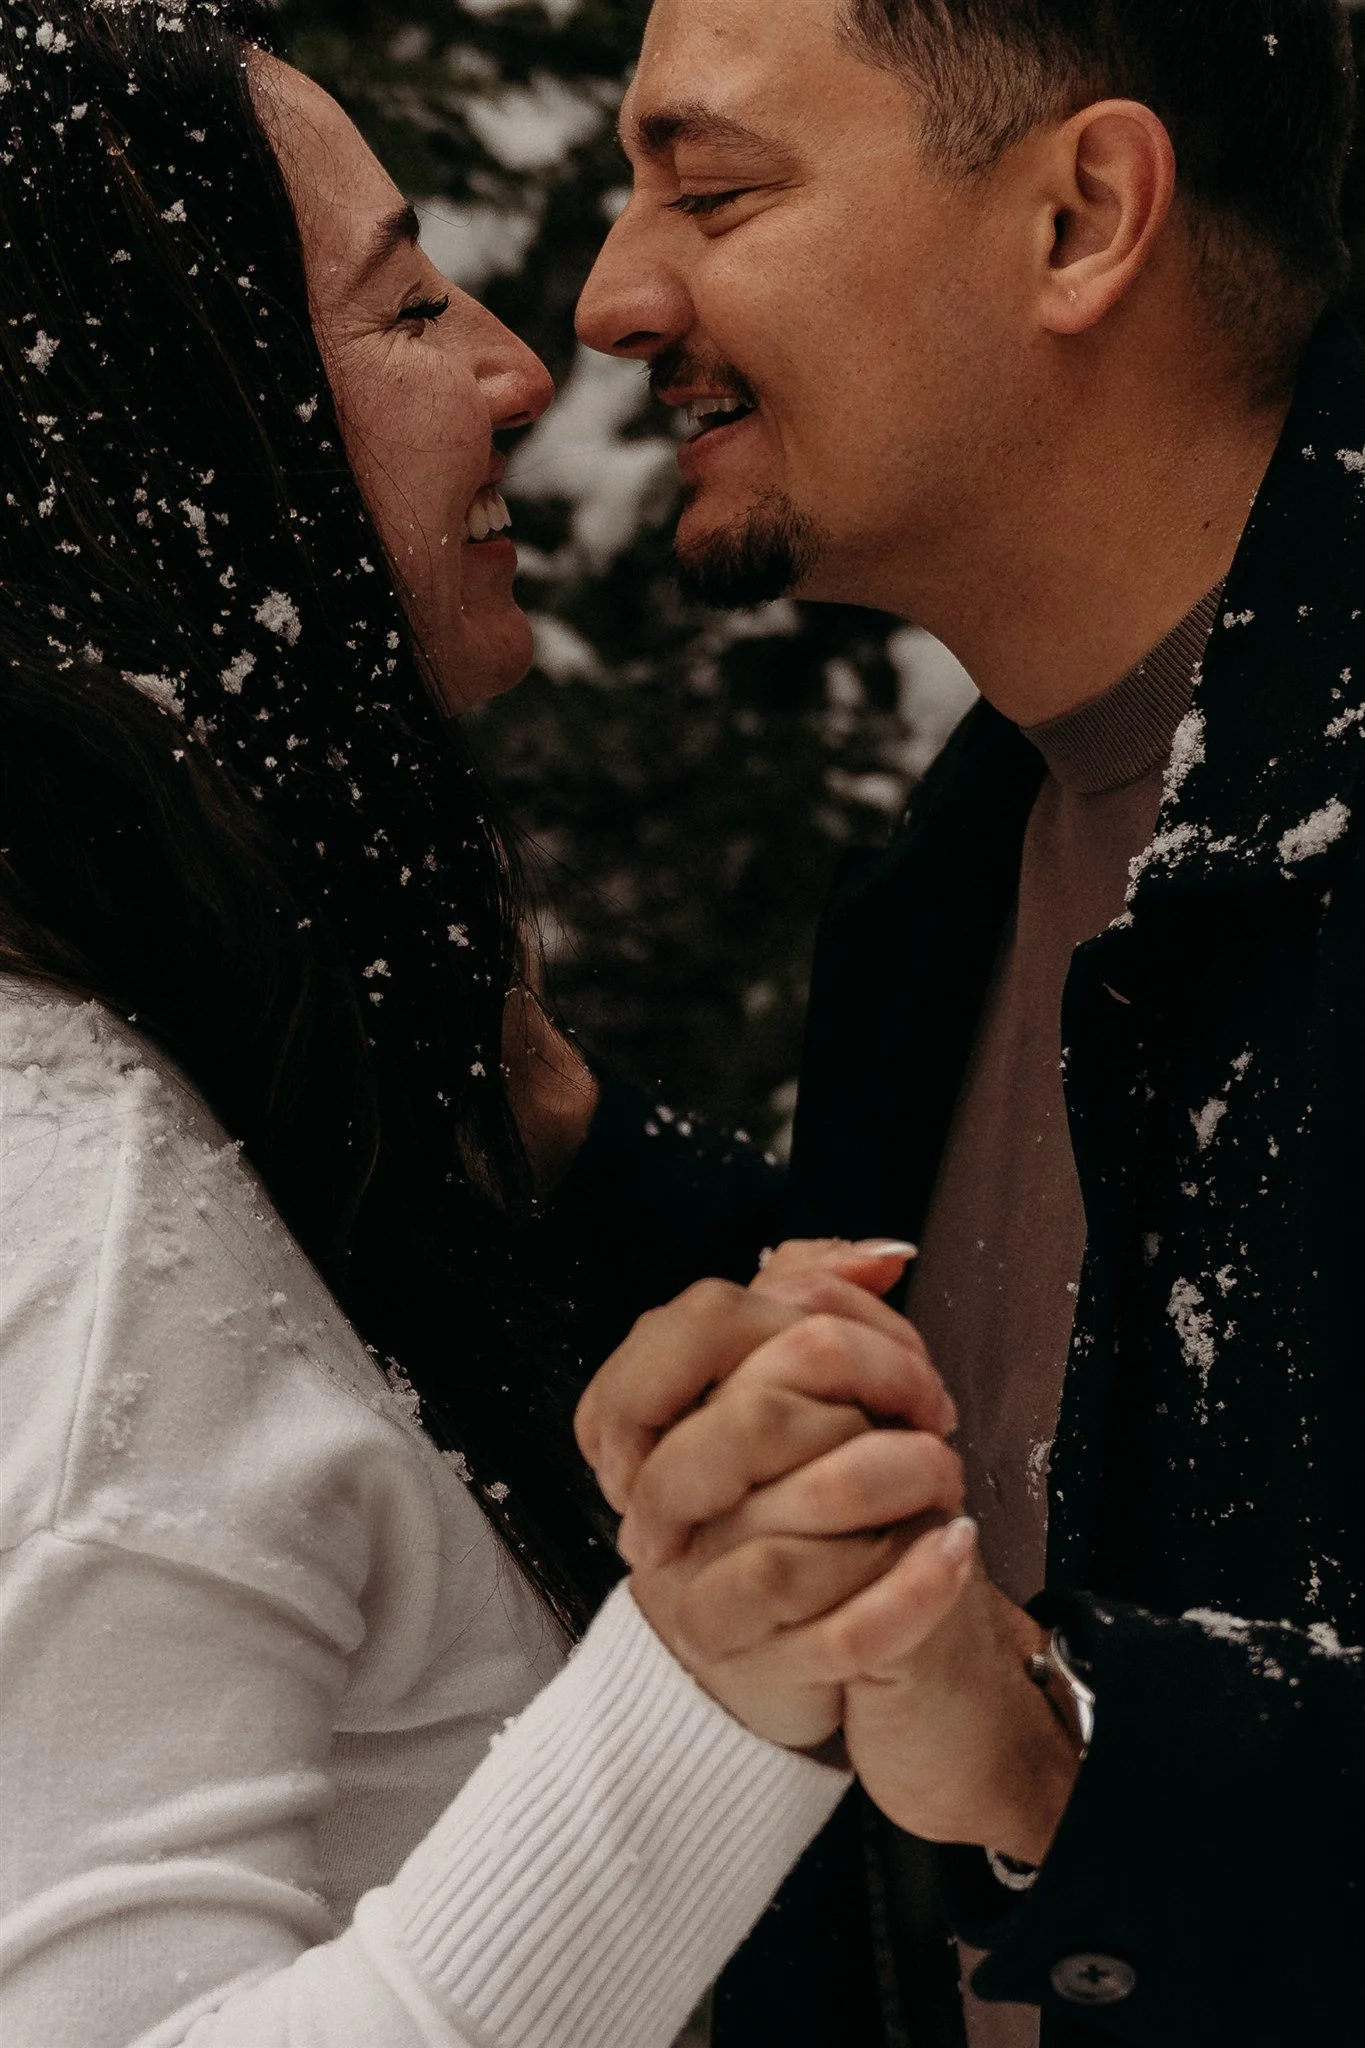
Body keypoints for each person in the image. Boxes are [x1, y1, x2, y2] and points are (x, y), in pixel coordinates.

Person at [0, 6, 975, 2042]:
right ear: (167, 439)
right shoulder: (83, 1212)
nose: (519, 366)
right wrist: (700, 1703)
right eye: (403, 305)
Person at [574, 0, 1365, 2042]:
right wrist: (555, 1143)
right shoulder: (952, 890)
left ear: (1083, 215)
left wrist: (1065, 1754)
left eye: (712, 187)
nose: (606, 298)